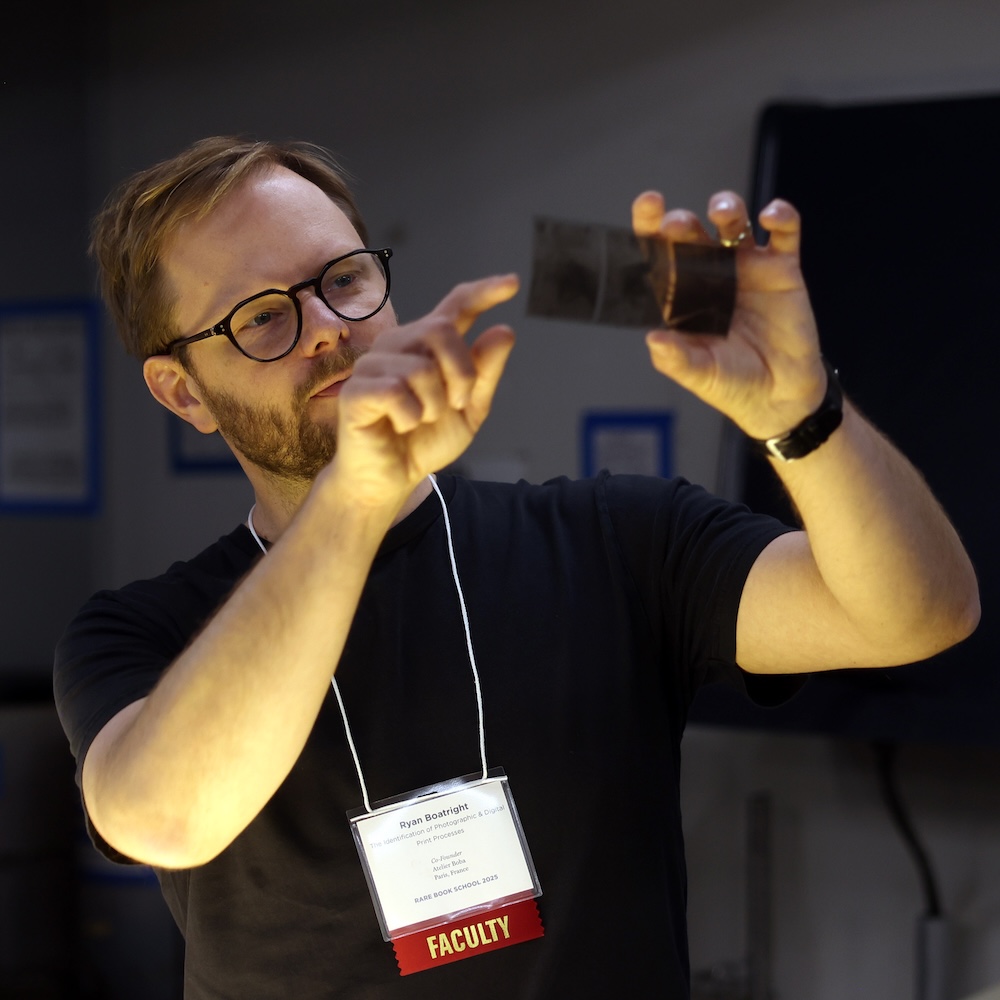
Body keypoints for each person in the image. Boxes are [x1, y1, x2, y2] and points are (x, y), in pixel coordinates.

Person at [53, 136, 979, 999]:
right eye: (263, 318)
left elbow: (918, 614)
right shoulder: (140, 631)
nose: (329, 327)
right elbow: (163, 819)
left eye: (344, 280)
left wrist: (804, 415)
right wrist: (356, 501)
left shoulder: (616, 541)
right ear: (184, 392)